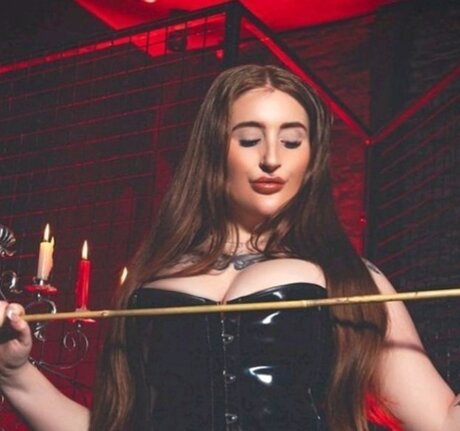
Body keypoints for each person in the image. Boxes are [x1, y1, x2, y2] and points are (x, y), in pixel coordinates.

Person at [0, 64, 459, 431]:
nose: (272, 158)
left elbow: (441, 421)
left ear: (312, 158)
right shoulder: (149, 280)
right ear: (214, 149)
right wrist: (15, 375)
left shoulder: (351, 279)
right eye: (250, 139)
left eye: (292, 141)